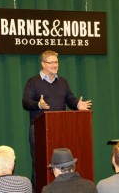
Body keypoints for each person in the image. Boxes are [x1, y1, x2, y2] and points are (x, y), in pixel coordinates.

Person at [22, 50, 92, 189]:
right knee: (40, 164)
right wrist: (38, 104)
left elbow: (70, 100)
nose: (55, 65)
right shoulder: (33, 82)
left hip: (60, 130)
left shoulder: (63, 82)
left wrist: (77, 105)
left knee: (63, 164)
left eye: (56, 62)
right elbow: (25, 102)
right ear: (43, 63)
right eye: (51, 62)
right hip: (39, 130)